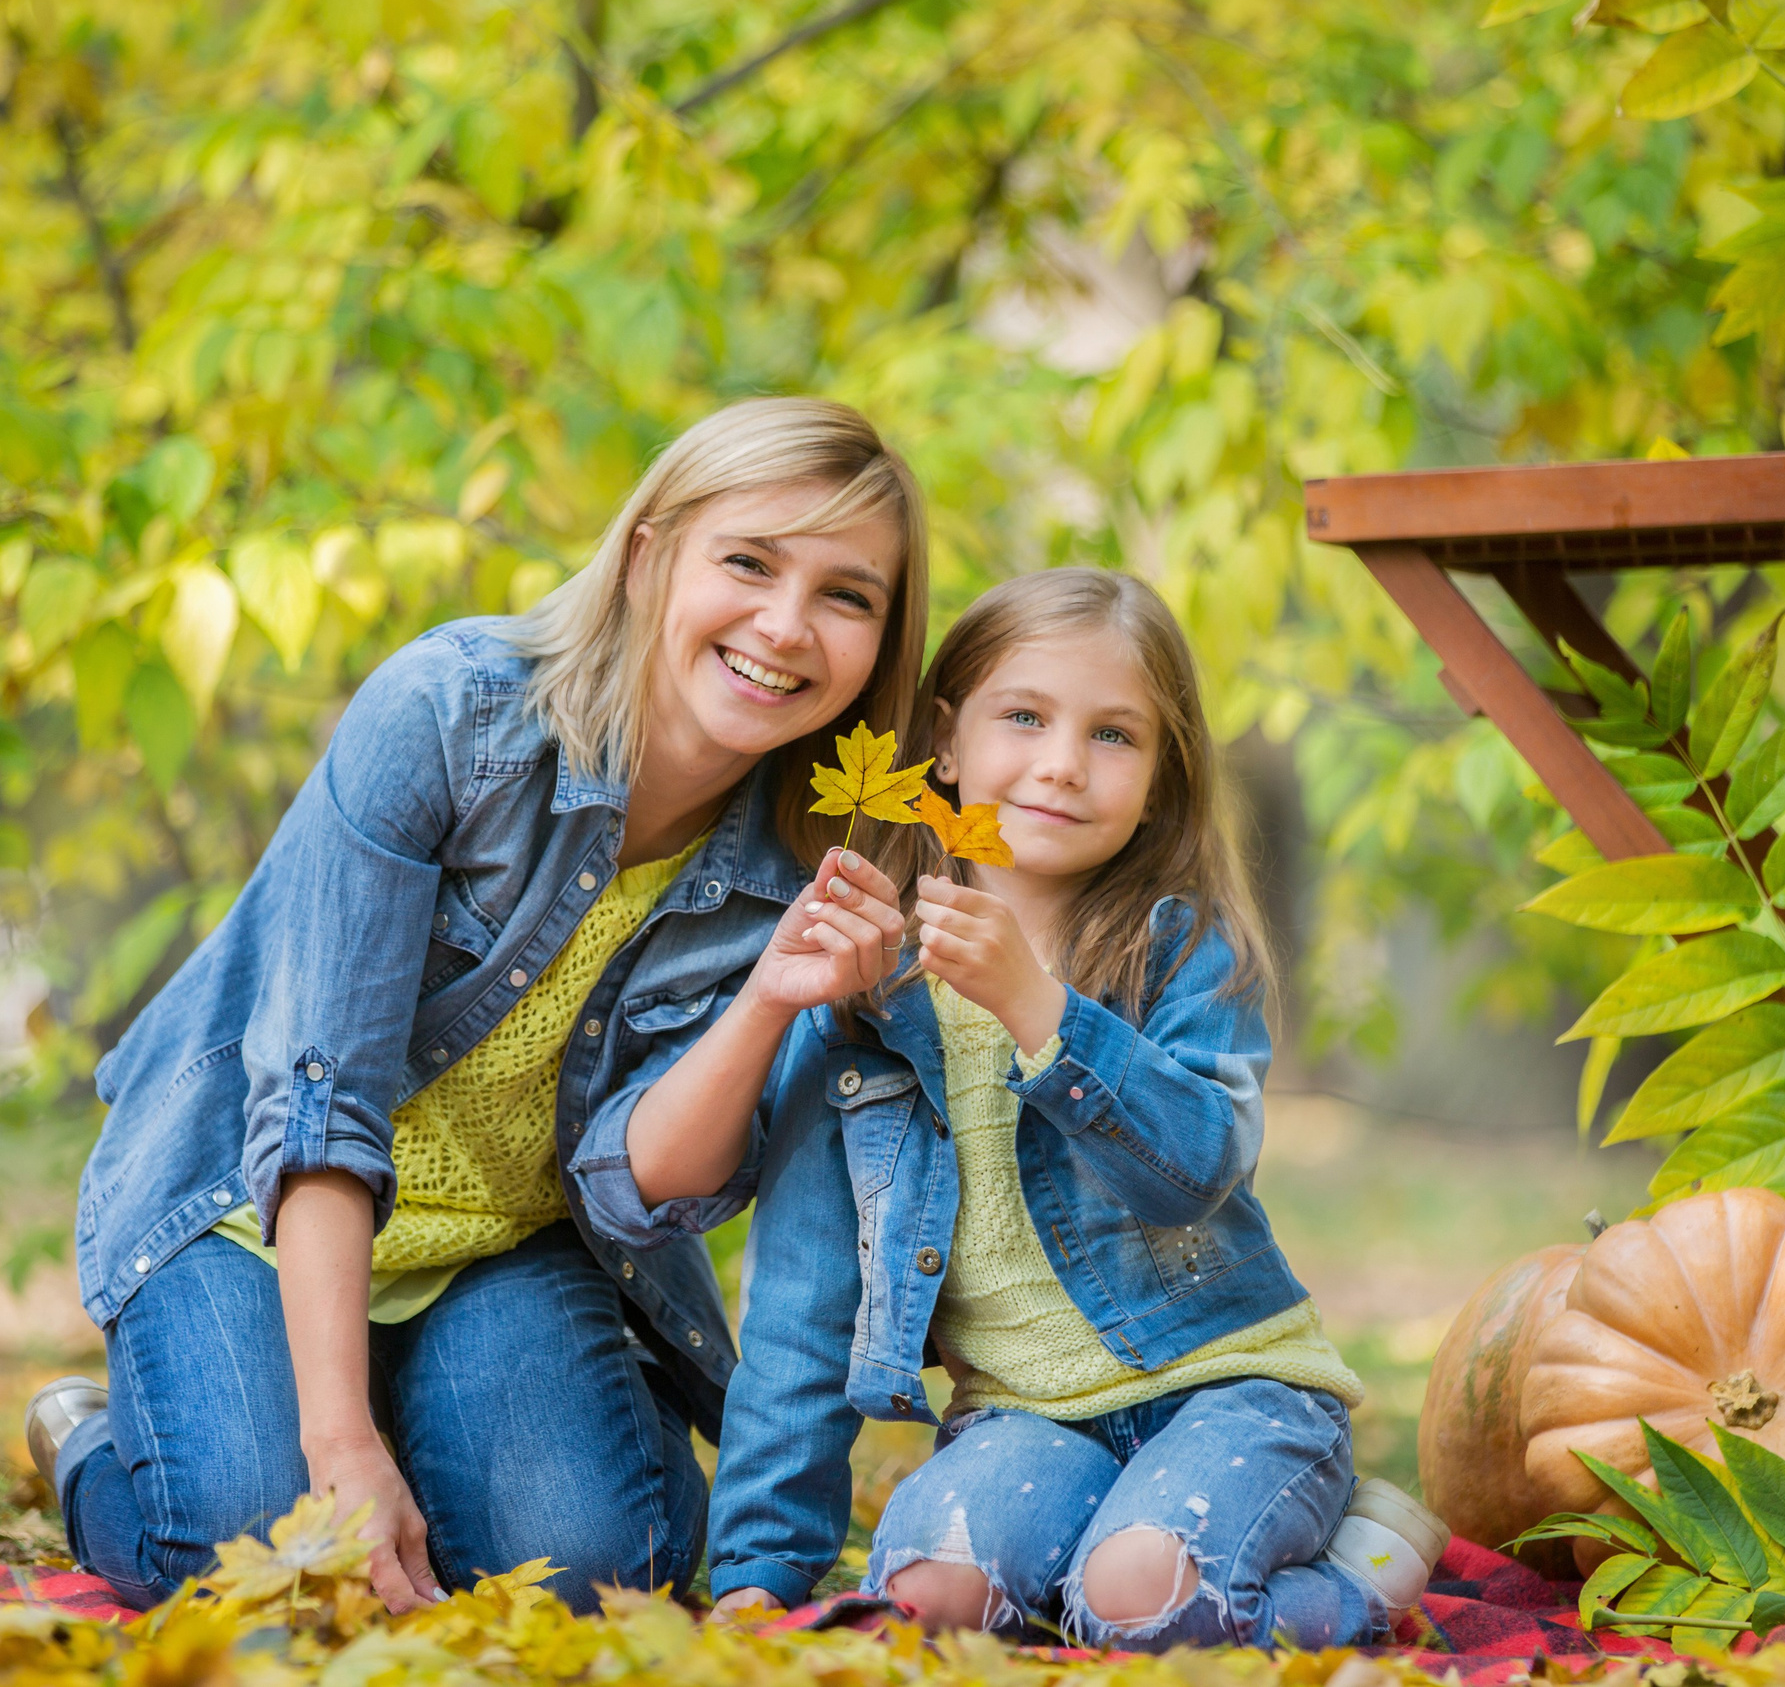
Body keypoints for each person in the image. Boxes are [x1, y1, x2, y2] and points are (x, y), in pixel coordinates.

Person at [26, 398, 929, 1615]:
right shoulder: (454, 716)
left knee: (590, 1577)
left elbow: (631, 1184)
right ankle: (94, 1448)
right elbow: (318, 1104)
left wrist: (770, 999)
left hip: (504, 1243)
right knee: (270, 1568)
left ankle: (441, 1423)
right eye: (750, 562)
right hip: (249, 1207)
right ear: (651, 553)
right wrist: (339, 1443)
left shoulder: (817, 857)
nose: (785, 626)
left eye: (847, 595)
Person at [577, 567, 1447, 1648]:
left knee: (1143, 1602)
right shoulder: (863, 999)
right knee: (925, 1604)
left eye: (1113, 736)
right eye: (1024, 717)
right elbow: (802, 1311)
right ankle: (1099, 1566)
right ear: (946, 741)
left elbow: (1193, 1167)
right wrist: (758, 1572)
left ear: (1161, 773)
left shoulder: (1177, 950)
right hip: (1027, 1421)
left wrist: (1042, 1011)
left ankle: (1357, 1574)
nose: (1060, 765)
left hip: (1230, 1393)